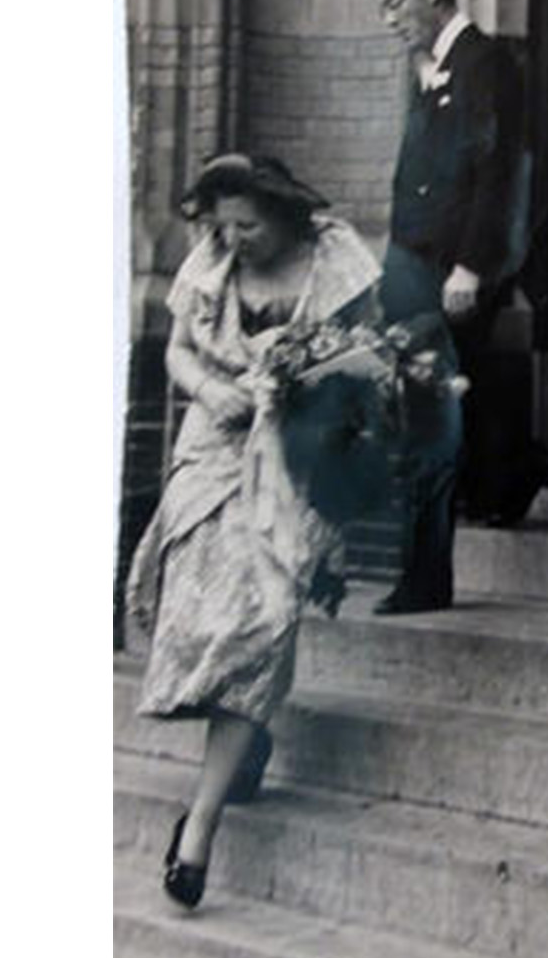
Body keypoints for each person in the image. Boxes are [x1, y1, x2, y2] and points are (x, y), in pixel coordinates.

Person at [125, 154, 392, 907]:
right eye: (223, 225)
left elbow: (370, 358)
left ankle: (198, 829)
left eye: (250, 224)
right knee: (207, 620)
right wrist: (215, 387)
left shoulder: (333, 258)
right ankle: (242, 751)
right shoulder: (212, 262)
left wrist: (309, 384)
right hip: (212, 453)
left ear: (286, 213)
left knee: (265, 622)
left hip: (293, 462)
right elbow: (178, 347)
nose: (234, 239)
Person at [373, 0, 548, 614]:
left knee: (433, 413)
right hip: (419, 263)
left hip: (453, 267)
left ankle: (426, 577)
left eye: (395, 1)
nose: (389, 18)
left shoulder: (485, 64)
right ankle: (522, 461)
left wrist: (472, 266)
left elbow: (496, 172)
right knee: (451, 396)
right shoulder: (436, 67)